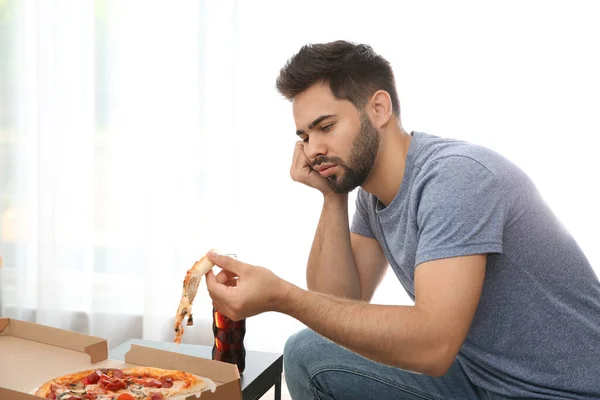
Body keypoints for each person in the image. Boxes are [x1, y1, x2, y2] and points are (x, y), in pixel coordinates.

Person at [205, 40, 600, 400]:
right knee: (309, 352)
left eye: (326, 127)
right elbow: (340, 302)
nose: (313, 150)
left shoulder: (455, 178)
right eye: (305, 136)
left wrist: (283, 297)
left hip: (557, 391)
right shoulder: (372, 194)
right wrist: (332, 196)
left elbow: (433, 346)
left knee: (312, 347)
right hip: (480, 377)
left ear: (379, 108)